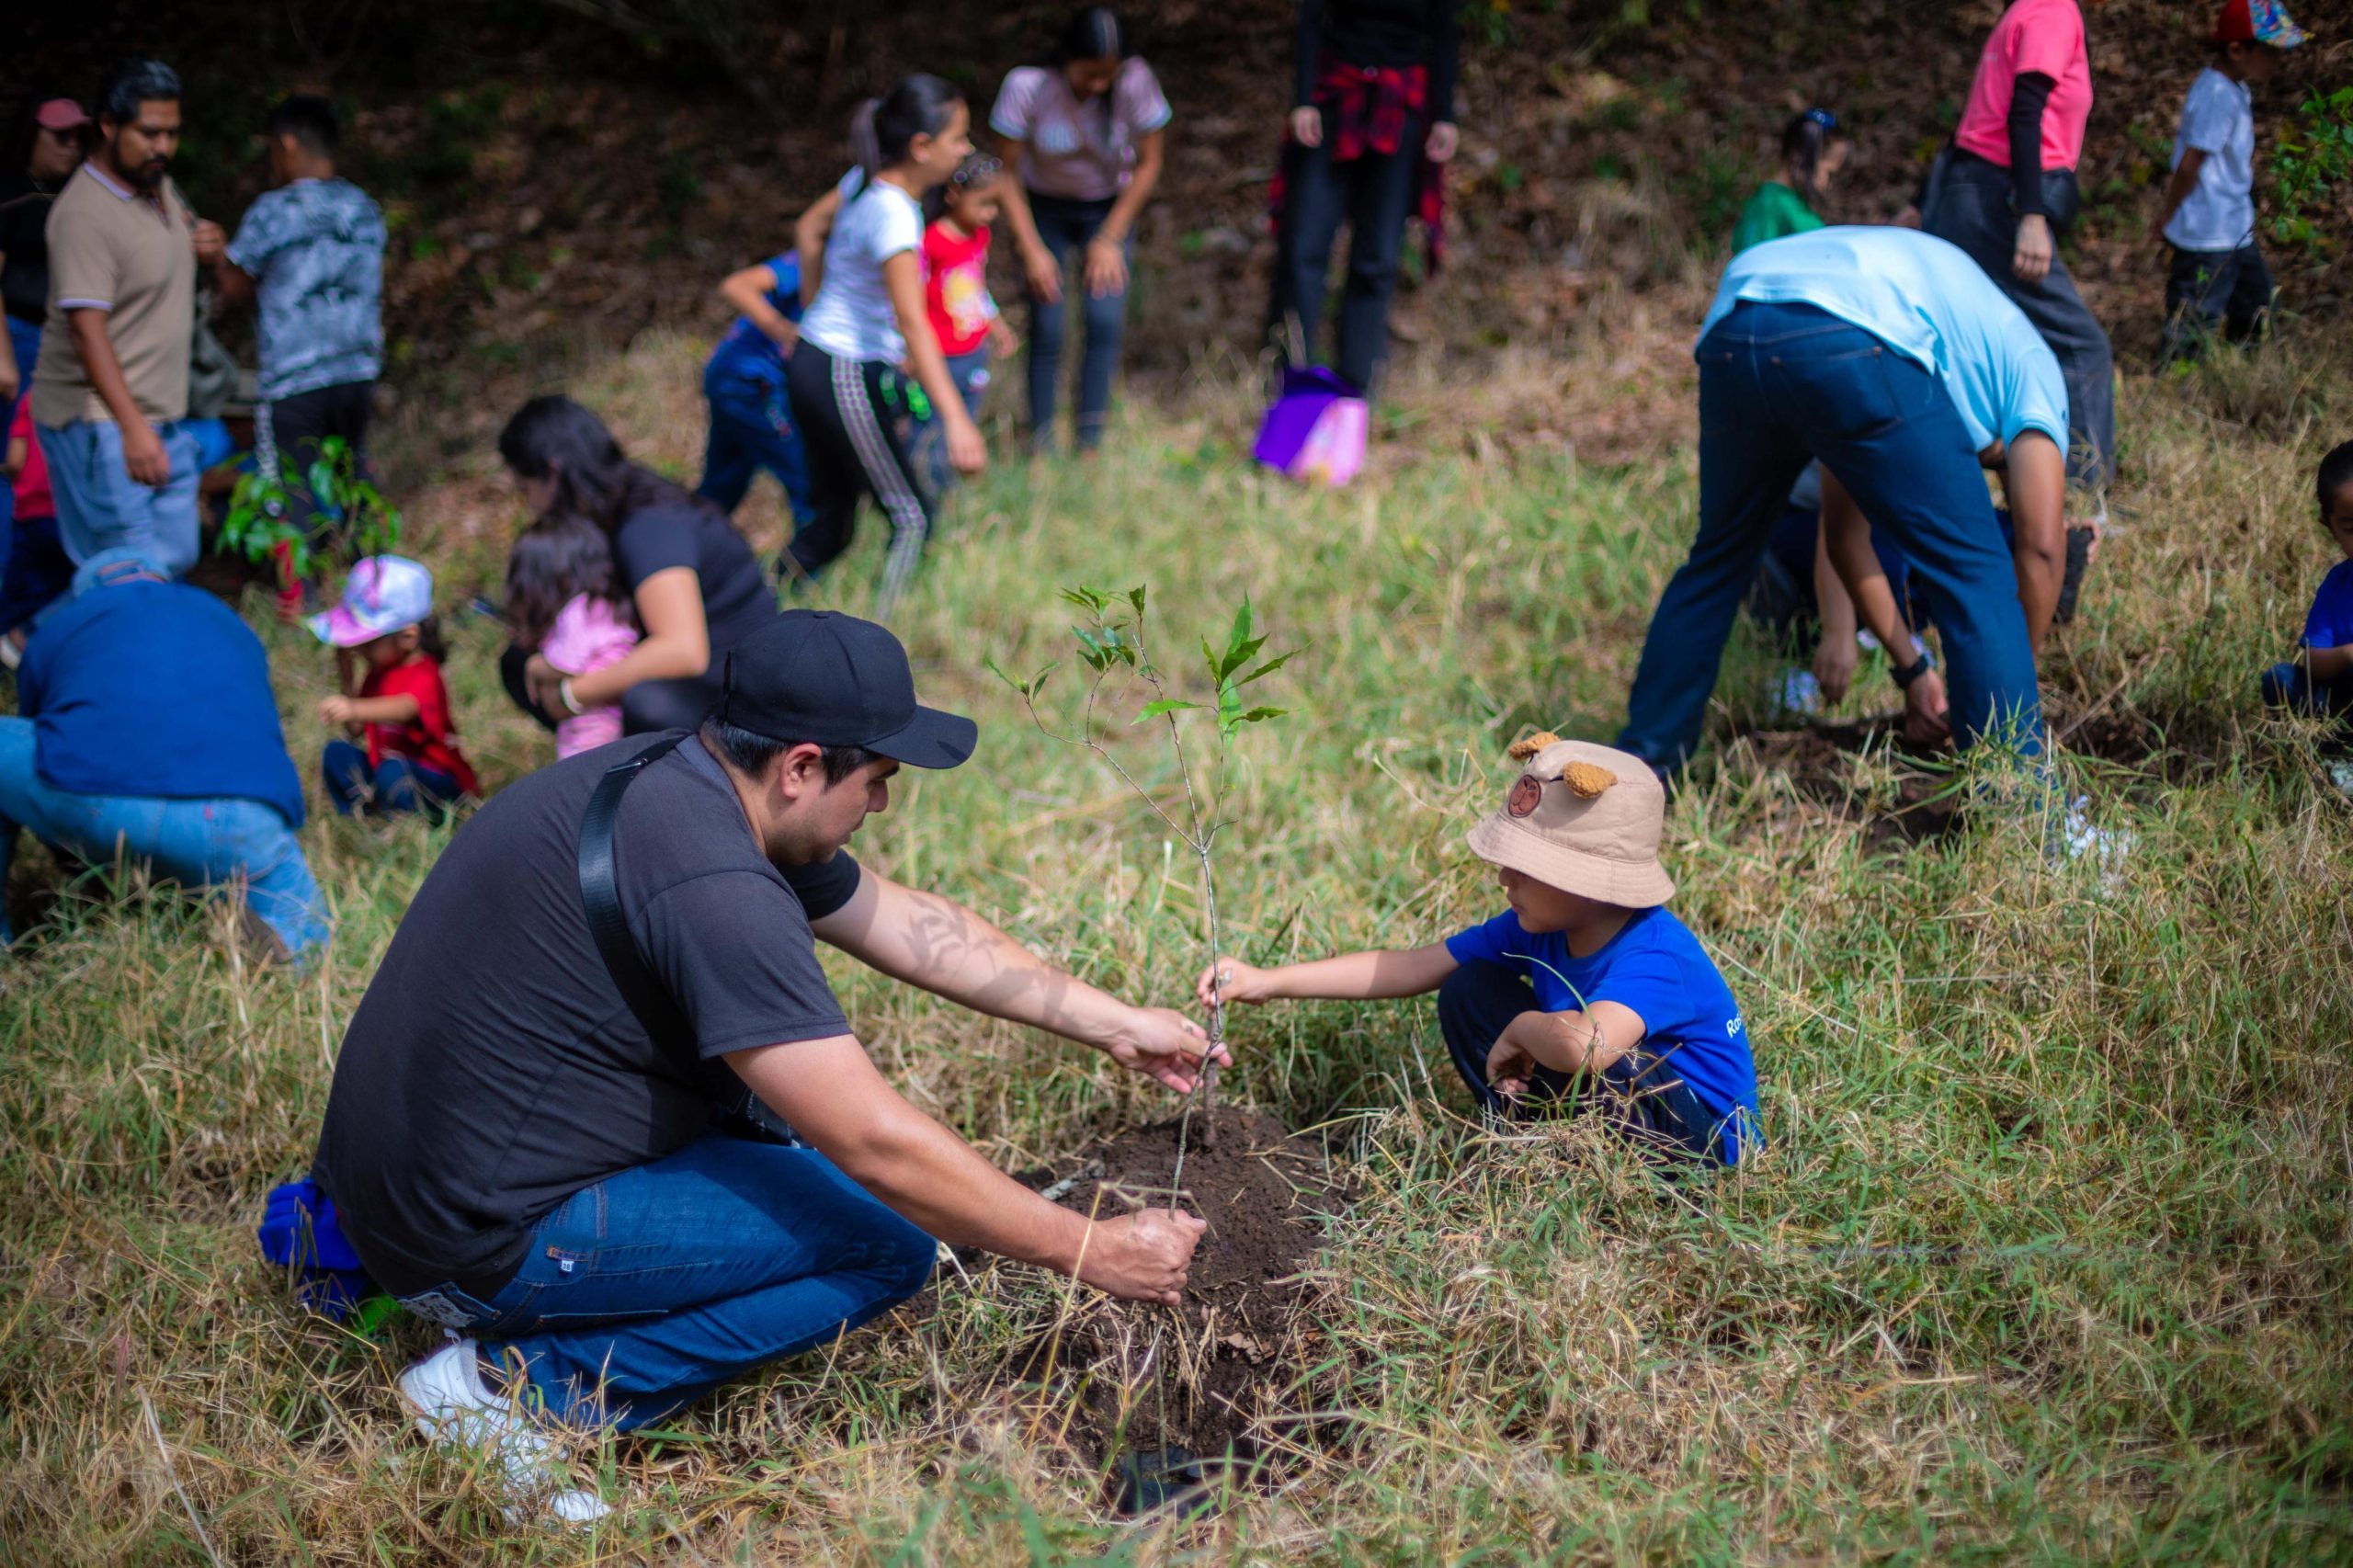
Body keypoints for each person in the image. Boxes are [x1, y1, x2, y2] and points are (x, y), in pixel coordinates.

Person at [310, 609, 1217, 1519]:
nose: (883, 805)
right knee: (887, 1239)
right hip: (470, 1234)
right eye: (878, 778)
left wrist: (1114, 1022)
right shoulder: (716, 884)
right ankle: (511, 1390)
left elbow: (907, 923)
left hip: (399, 1186)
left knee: (789, 1147)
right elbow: (875, 1144)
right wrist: (1091, 1247)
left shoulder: (680, 775)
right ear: (800, 766)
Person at [1619, 226, 2072, 775]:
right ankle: (2020, 815)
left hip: (1739, 319)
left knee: (1716, 560)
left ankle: (1638, 770)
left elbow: (1843, 537)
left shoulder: (1948, 349)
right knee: (1976, 575)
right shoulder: (2033, 367)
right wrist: (2014, 671)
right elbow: (2042, 547)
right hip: (1855, 328)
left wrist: (1914, 670)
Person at [1199, 735, 1756, 1165]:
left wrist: (1520, 1032)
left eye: (1525, 867)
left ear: (1591, 881)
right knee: (1468, 987)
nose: (1504, 878)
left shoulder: (1656, 953)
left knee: (1605, 1056)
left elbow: (1587, 1049)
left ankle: (1620, 1181)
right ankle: (1533, 1146)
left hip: (1701, 1146)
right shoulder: (1538, 926)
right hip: (1610, 1088)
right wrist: (1267, 980)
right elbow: (1416, 965)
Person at [0, 549, 328, 957]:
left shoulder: (64, 623)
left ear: (88, 592)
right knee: (306, 921)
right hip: (244, 817)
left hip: (101, 800)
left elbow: (43, 732)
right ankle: (296, 947)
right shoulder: (228, 620)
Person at [787, 78, 983, 614]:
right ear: (922, 146)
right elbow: (914, 324)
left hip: (817, 360)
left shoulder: (860, 181)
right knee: (912, 518)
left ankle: (749, 611)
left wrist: (815, 312)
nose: (966, 150)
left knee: (833, 525)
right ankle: (881, 644)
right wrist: (957, 420)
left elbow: (808, 230)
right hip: (840, 370)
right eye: (958, 138)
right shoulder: (896, 213)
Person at [1912, 0, 2115, 506]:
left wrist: (1924, 204)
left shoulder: (2022, 11)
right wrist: (2031, 214)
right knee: (2079, 347)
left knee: (1972, 350)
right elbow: (2025, 110)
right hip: (1998, 204)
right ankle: (2080, 505)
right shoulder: (2051, 9)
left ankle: (1950, 487)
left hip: (1973, 196)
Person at [31, 61, 222, 578]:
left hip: (160, 415)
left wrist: (207, 246)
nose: (162, 146)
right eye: (149, 133)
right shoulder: (83, 214)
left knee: (173, 557)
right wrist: (133, 429)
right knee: (128, 569)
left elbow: (174, 243)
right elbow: (86, 331)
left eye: (172, 133)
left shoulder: (157, 186)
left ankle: (40, 635)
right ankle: (39, 643)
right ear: (108, 126)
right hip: (101, 420)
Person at [497, 394, 777, 735]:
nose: (533, 506)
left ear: (552, 474)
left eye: (527, 491)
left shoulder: (646, 525)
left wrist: (574, 693)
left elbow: (683, 651)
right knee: (520, 661)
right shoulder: (617, 505)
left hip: (738, 697)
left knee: (647, 703)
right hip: (699, 682)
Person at [208, 95, 386, 552]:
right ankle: (372, 574)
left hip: (294, 380)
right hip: (357, 371)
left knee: (291, 492)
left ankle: (301, 598)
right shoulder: (362, 206)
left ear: (286, 145)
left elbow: (235, 289)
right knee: (355, 478)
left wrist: (216, 257)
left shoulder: (273, 212)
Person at [991, 7, 1171, 452]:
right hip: (1043, 211)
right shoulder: (1027, 87)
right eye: (1090, 74)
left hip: (1106, 210)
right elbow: (1005, 173)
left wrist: (1110, 237)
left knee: (1103, 320)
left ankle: (1089, 440)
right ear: (1066, 58)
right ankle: (1040, 440)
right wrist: (1030, 247)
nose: (1099, 86)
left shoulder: (1135, 81)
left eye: (1107, 76)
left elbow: (1150, 162)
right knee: (1048, 323)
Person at [1268, 0, 1459, 397]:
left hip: (1400, 104)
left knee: (1376, 258)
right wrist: (1303, 98)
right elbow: (1311, 16)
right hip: (1333, 97)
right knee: (1303, 249)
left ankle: (1355, 391)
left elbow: (1443, 28)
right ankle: (1289, 384)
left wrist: (1444, 113)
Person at [2153, 1, 2307, 361]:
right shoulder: (2216, 95)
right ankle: (2179, 380)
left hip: (2234, 228)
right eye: (2270, 52)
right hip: (2207, 234)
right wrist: (2169, 215)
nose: (2277, 61)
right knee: (2193, 319)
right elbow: (2191, 165)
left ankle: (2238, 371)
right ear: (2237, 50)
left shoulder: (2234, 88)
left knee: (2256, 305)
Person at [312, 555, 478, 818]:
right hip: (386, 773)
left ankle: (409, 820)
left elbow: (405, 708)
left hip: (437, 781)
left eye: (368, 642)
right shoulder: (377, 673)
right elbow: (355, 730)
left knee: (394, 771)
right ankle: (365, 815)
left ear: (408, 637)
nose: (360, 650)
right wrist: (347, 678)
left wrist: (354, 708)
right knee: (338, 752)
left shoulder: (425, 672)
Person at [0, 97, 92, 573]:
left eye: (79, 137)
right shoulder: (11, 192)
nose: (70, 146)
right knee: (11, 465)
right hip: (16, 339)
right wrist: (4, 355)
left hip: (62, 345)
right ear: (32, 135)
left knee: (52, 466)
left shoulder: (79, 196)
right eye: (60, 136)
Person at [913, 151, 1019, 496]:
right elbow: (909, 300)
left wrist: (996, 325)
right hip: (937, 356)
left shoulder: (978, 236)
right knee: (931, 427)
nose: (990, 214)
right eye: (983, 203)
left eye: (995, 205)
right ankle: (924, 492)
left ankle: (952, 495)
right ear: (953, 195)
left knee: (965, 422)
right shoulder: (929, 242)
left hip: (972, 351)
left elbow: (975, 287)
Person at [695, 248, 814, 525]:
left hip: (735, 378)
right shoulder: (817, 258)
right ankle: (799, 567)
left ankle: (678, 554)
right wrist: (784, 332)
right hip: (750, 381)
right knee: (808, 487)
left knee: (720, 489)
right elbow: (737, 285)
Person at [506, 514, 640, 760]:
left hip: (595, 726)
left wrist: (534, 666)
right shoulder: (607, 606)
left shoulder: (582, 609)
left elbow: (564, 664)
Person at [2262, 438, 2353, 732]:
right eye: (2352, 528)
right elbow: (2313, 662)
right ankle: (2334, 747)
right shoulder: (2337, 585)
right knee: (2281, 680)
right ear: (2329, 526)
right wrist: (2348, 654)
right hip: (2345, 701)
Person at [0, 397, 73, 660]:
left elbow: (14, 460)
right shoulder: (90, 401)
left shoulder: (32, 399)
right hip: (72, 515)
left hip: (31, 511)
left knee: (17, 592)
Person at [1732, 109, 1847, 255]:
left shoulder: (1777, 201)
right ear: (1802, 158)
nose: (1828, 183)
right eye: (1829, 172)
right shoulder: (1775, 205)